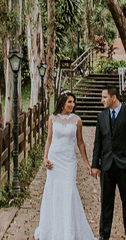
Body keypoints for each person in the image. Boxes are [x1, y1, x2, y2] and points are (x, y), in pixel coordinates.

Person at [34, 91, 96, 240]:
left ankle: (68, 231)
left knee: (68, 191)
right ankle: (53, 230)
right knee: (54, 192)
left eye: (73, 102)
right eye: (70, 102)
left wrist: (87, 163)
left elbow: (80, 142)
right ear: (62, 103)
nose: (72, 105)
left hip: (68, 162)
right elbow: (49, 139)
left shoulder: (77, 120)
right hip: (55, 161)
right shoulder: (52, 119)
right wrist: (45, 158)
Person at [91, 86, 126, 240]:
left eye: (104, 97)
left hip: (125, 166)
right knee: (106, 203)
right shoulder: (101, 117)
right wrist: (95, 165)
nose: (102, 100)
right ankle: (104, 235)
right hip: (107, 166)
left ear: (113, 97)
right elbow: (98, 143)